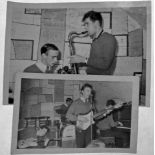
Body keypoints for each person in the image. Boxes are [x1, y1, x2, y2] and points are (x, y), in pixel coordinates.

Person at [69, 11, 117, 75]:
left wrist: (83, 60)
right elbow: (94, 63)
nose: (85, 27)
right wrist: (77, 61)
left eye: (87, 24)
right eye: (84, 25)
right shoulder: (95, 40)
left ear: (96, 23)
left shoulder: (109, 38)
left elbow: (105, 64)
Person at [66, 83, 94, 148]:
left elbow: (93, 117)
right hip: (80, 129)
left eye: (90, 91)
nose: (89, 93)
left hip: (89, 129)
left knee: (89, 147)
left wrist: (105, 112)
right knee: (80, 147)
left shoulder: (89, 103)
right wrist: (78, 118)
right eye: (87, 91)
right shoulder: (76, 103)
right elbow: (68, 115)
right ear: (82, 91)